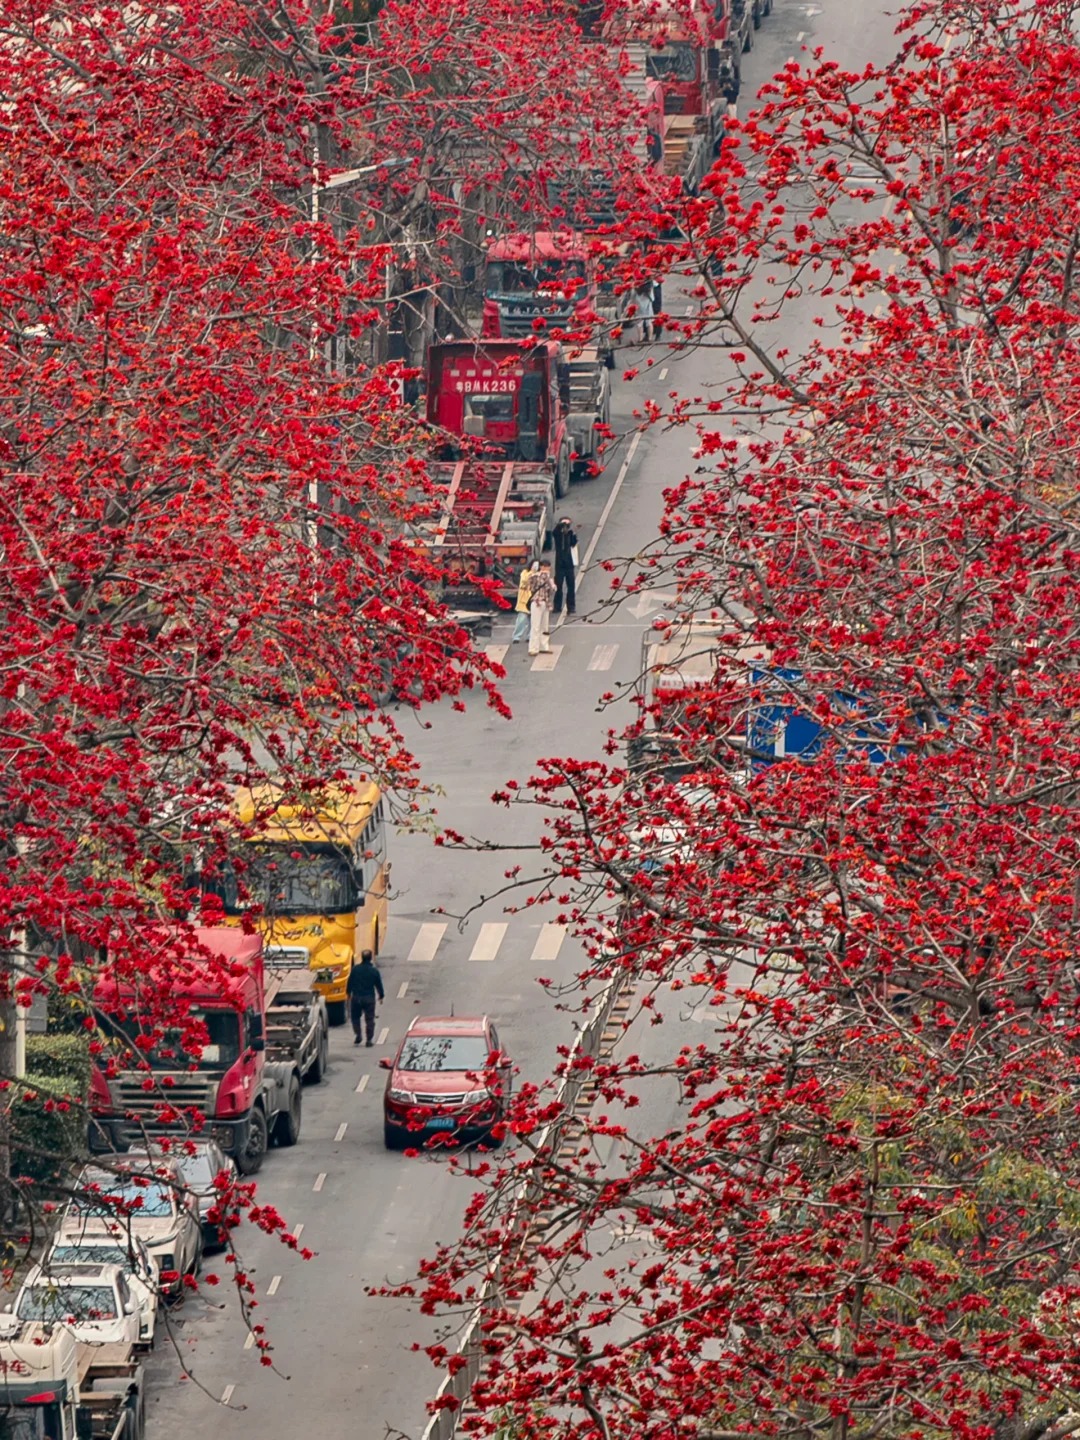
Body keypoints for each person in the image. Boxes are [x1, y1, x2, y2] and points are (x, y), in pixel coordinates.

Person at [347, 948, 384, 1046]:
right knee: (370, 1019)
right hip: (369, 998)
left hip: (356, 998)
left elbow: (350, 982)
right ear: (370, 958)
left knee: (355, 1018)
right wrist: (381, 996)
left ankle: (358, 1035)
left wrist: (348, 994)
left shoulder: (355, 969)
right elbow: (378, 984)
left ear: (362, 958)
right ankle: (369, 1040)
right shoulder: (374, 971)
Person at [527, 560, 555, 656]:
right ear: (542, 567)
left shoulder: (542, 577)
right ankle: (533, 648)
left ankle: (543, 646)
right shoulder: (537, 576)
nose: (548, 569)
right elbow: (531, 585)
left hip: (545, 603)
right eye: (546, 567)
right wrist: (546, 577)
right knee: (536, 626)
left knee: (544, 626)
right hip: (536, 602)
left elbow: (553, 589)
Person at [551, 518, 578, 616]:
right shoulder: (558, 535)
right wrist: (561, 525)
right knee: (558, 586)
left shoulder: (571, 534)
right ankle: (557, 606)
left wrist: (572, 532)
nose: (565, 526)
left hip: (569, 564)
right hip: (560, 565)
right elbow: (554, 532)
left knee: (571, 586)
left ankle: (571, 606)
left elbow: (574, 543)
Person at [512, 562, 534, 643]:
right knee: (521, 619)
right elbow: (524, 581)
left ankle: (529, 636)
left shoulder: (538, 575)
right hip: (524, 601)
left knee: (533, 620)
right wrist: (532, 573)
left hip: (533, 600)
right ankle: (516, 636)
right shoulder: (524, 573)